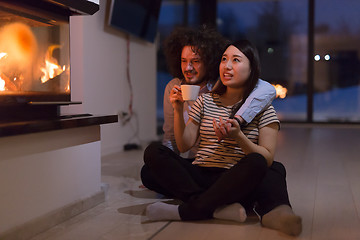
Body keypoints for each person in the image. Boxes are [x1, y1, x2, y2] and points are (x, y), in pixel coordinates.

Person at [143, 39, 302, 236]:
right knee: (152, 156)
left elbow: (267, 157)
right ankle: (214, 206)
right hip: (202, 173)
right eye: (224, 59)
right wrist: (177, 110)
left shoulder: (264, 109)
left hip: (236, 180)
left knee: (266, 165)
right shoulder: (205, 100)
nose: (227, 66)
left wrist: (238, 136)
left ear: (252, 68)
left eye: (236, 60)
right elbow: (184, 145)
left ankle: (190, 210)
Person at [141, 26, 276, 194]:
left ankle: (200, 198)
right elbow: (174, 139)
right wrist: (165, 167)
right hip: (198, 164)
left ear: (210, 61)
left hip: (228, 165)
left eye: (195, 61)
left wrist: (239, 121)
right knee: (148, 171)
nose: (188, 68)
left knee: (272, 170)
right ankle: (211, 199)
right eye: (184, 61)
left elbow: (267, 89)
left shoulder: (222, 85)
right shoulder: (176, 88)